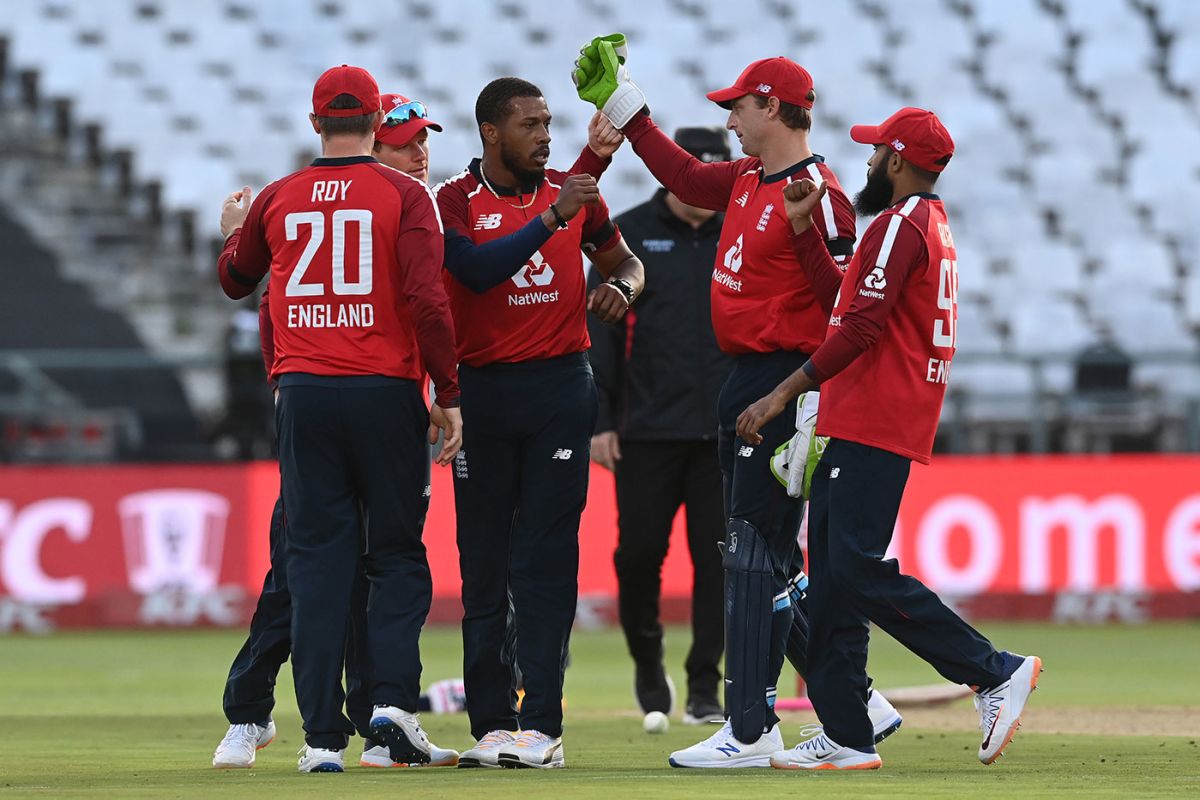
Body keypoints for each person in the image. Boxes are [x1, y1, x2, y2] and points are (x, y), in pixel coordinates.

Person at [574, 40, 900, 767]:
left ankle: (750, 728)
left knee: (752, 556)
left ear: (775, 110)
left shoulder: (821, 191)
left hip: (783, 382)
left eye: (740, 108)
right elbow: (682, 171)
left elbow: (842, 310)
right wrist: (624, 104)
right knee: (765, 558)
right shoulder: (750, 176)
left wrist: (806, 231)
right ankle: (853, 702)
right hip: (745, 379)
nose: (730, 121)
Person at [736, 107, 1042, 771]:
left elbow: (860, 331)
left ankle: (992, 671)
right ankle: (846, 732)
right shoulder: (919, 225)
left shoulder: (902, 225)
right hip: (872, 414)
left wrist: (779, 394)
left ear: (898, 162)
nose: (869, 163)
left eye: (877, 153)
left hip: (874, 415)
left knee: (855, 571)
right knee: (840, 580)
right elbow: (843, 308)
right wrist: (802, 235)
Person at [211, 89, 469, 771]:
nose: (418, 151)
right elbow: (425, 298)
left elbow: (238, 282)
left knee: (313, 567)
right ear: (376, 126)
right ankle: (389, 708)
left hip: (304, 394)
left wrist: (236, 231)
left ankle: (321, 739)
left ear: (315, 121)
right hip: (383, 391)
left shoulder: (279, 194)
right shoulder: (404, 197)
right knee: (395, 557)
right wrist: (449, 390)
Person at [435, 76, 644, 770]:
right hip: (483, 396)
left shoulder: (572, 191)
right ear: (491, 133)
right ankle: (491, 723)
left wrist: (619, 288)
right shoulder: (454, 202)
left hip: (559, 390)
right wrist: (552, 219)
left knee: (545, 561)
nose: (545, 135)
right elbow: (473, 272)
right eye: (529, 124)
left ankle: (543, 727)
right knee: (483, 562)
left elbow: (629, 264)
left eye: (549, 123)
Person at [586, 125, 733, 729]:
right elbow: (599, 334)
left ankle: (704, 687)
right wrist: (599, 420)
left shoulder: (741, 231)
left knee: (720, 561)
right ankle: (649, 662)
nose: (703, 192)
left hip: (728, 430)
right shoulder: (628, 236)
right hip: (645, 429)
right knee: (638, 556)